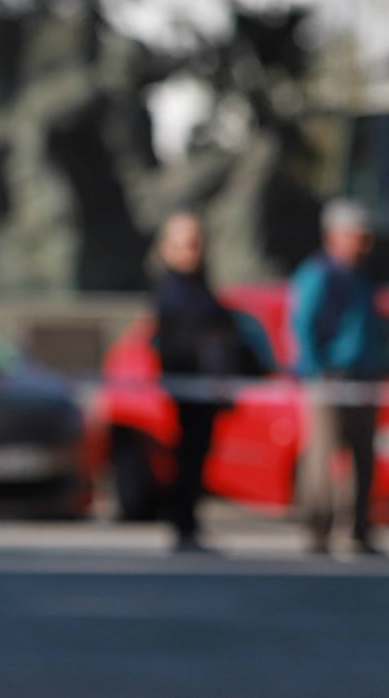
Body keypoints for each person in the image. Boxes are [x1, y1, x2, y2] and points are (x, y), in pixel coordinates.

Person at [152, 211, 267, 553]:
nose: (193, 252)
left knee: (198, 456)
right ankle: (182, 523)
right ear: (168, 249)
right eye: (186, 245)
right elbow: (179, 340)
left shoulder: (200, 286)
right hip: (189, 388)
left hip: (205, 389)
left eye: (196, 244)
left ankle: (189, 522)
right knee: (187, 456)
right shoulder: (171, 289)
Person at [290, 199, 383, 557]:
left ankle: (358, 527)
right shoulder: (319, 273)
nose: (365, 243)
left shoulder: (361, 275)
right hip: (330, 377)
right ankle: (318, 527)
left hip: (363, 374)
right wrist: (316, 369)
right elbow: (302, 325)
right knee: (322, 454)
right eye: (358, 235)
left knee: (363, 455)